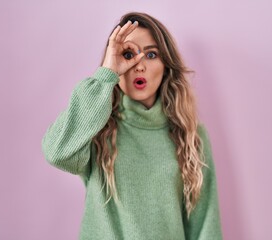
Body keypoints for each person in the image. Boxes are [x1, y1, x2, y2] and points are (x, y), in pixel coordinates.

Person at [42, 12, 222, 240]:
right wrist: (105, 75)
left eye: (151, 54)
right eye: (128, 54)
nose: (139, 66)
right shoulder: (97, 129)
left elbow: (205, 224)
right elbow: (57, 152)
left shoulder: (191, 136)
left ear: (166, 64)